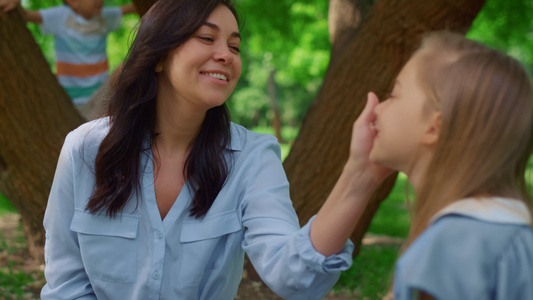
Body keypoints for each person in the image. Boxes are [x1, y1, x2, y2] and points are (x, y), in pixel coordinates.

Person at [40, 0, 395, 299]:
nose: (226, 55)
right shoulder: (84, 150)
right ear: (159, 55)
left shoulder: (253, 157)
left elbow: (295, 276)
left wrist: (359, 177)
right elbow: (66, 284)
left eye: (235, 46)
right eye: (207, 38)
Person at [363, 31, 533, 299]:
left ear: (435, 127)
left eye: (392, 94)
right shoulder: (507, 234)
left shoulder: (453, 247)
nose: (376, 109)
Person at [0, 0, 137, 119]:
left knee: (123, 74)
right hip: (73, 98)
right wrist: (15, 3)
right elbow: (27, 16)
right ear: (72, 1)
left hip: (100, 93)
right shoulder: (61, 17)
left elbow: (136, 7)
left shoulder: (103, 17)